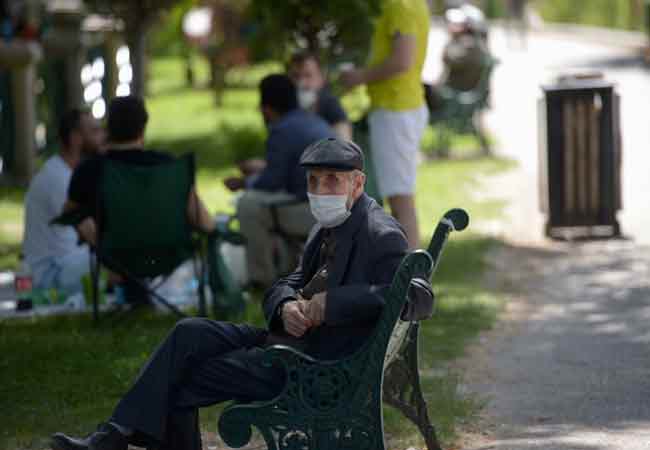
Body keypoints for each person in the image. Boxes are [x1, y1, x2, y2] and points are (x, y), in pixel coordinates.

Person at [50, 137, 410, 450]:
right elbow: (287, 282)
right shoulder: (329, 225)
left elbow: (414, 297)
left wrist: (333, 306)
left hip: (317, 367)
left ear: (358, 184)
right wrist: (284, 305)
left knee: (182, 378)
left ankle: (112, 438)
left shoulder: (380, 233)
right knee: (189, 332)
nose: (320, 191)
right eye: (313, 181)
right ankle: (113, 434)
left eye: (332, 181)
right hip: (287, 341)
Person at [62, 96, 215, 303]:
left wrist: (96, 241)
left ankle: (130, 288)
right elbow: (204, 222)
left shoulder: (90, 169)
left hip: (116, 256)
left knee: (81, 220)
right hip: (170, 252)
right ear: (142, 129)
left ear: (109, 130)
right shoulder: (169, 166)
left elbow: (68, 214)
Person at [224, 74, 334, 287]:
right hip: (339, 205)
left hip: (312, 213)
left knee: (247, 205)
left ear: (266, 107)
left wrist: (243, 183)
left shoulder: (281, 129)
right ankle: (291, 268)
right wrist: (263, 168)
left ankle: (262, 278)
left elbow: (272, 182)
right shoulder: (314, 120)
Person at [339, 0, 430, 250]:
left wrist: (359, 77)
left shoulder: (399, 5)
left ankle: (413, 280)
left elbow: (402, 61)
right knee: (399, 198)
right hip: (397, 107)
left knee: (401, 200)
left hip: (396, 109)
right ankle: (407, 275)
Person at [22, 108, 105, 295]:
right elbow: (92, 233)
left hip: (68, 263)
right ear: (76, 138)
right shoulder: (58, 179)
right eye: (94, 131)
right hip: (50, 274)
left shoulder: (68, 173)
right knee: (119, 261)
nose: (102, 137)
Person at [424, 6, 491, 114]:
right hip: (456, 88)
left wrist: (452, 39)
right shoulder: (475, 44)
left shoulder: (469, 45)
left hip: (457, 91)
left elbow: (448, 59)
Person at [287, 51, 352, 140]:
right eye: (296, 76)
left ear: (321, 78)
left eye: (308, 75)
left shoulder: (330, 104)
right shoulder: (285, 107)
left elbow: (343, 144)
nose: (301, 83)